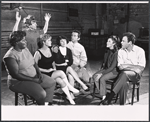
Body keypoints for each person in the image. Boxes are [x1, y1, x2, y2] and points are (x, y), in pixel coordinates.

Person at [3, 31, 56, 105]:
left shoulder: (25, 49)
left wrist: (39, 73)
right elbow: (16, 75)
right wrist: (33, 80)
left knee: (51, 82)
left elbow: (33, 62)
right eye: (23, 40)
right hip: (18, 82)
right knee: (41, 93)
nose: (26, 41)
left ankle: (46, 104)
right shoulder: (10, 56)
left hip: (33, 76)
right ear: (16, 42)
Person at [101, 32, 146, 105]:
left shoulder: (140, 51)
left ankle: (110, 96)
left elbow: (141, 67)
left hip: (136, 75)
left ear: (130, 42)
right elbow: (120, 67)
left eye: (123, 41)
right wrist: (133, 66)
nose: (121, 42)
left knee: (124, 74)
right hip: (124, 74)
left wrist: (126, 66)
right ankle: (122, 105)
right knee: (124, 82)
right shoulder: (120, 51)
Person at [34, 34, 80, 105]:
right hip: (42, 74)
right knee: (61, 72)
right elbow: (34, 67)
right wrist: (46, 70)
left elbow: (53, 61)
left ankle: (70, 98)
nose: (51, 42)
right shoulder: (38, 53)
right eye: (49, 40)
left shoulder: (50, 49)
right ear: (44, 42)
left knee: (61, 82)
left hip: (51, 72)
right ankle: (70, 87)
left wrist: (54, 68)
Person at [92, 35, 120, 101]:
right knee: (94, 76)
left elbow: (112, 67)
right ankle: (104, 93)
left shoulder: (116, 53)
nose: (107, 42)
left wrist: (101, 74)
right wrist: (101, 70)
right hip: (106, 69)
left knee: (102, 78)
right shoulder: (107, 51)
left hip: (114, 71)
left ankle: (104, 97)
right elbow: (104, 63)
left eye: (109, 41)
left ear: (114, 43)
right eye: (107, 41)